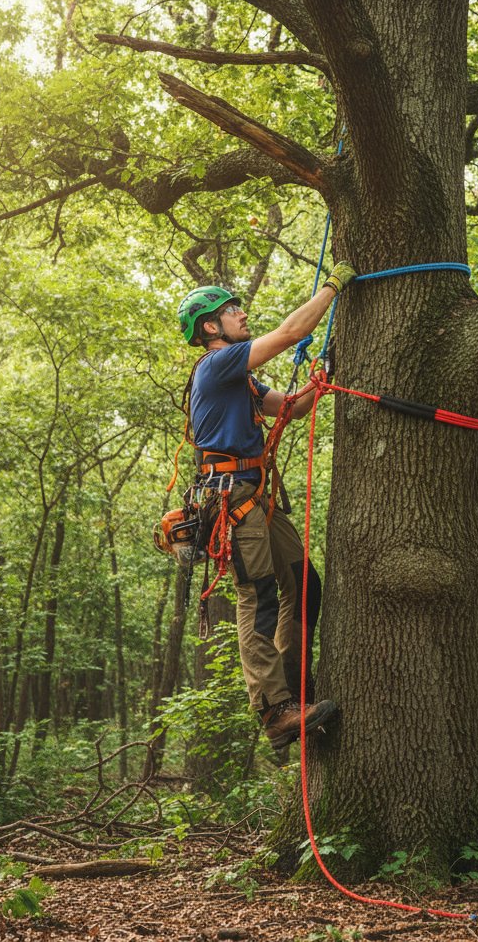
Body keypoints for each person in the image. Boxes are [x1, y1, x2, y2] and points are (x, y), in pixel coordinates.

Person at [176, 263, 356, 751]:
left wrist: (326, 373)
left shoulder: (241, 381)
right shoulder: (218, 364)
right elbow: (292, 331)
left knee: (304, 582)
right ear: (211, 328)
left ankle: (295, 692)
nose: (241, 313)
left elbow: (292, 408)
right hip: (231, 496)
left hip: (256, 494)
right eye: (232, 310)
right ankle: (273, 710)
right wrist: (332, 288)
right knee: (257, 594)